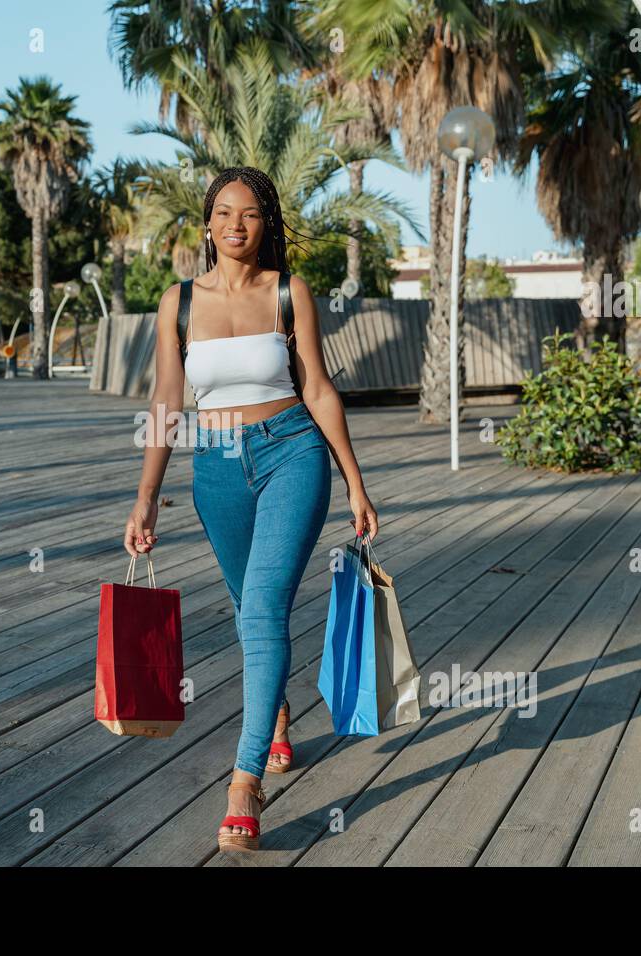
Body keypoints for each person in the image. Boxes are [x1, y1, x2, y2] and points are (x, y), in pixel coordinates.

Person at [122, 166, 379, 853]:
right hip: (214, 469)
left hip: (292, 453)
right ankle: (280, 711)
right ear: (207, 223)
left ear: (268, 224)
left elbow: (319, 389)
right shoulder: (177, 302)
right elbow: (167, 403)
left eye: (252, 214)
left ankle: (243, 783)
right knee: (245, 609)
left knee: (263, 608)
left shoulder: (288, 294)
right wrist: (147, 496)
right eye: (225, 213)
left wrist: (354, 481)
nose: (237, 225)